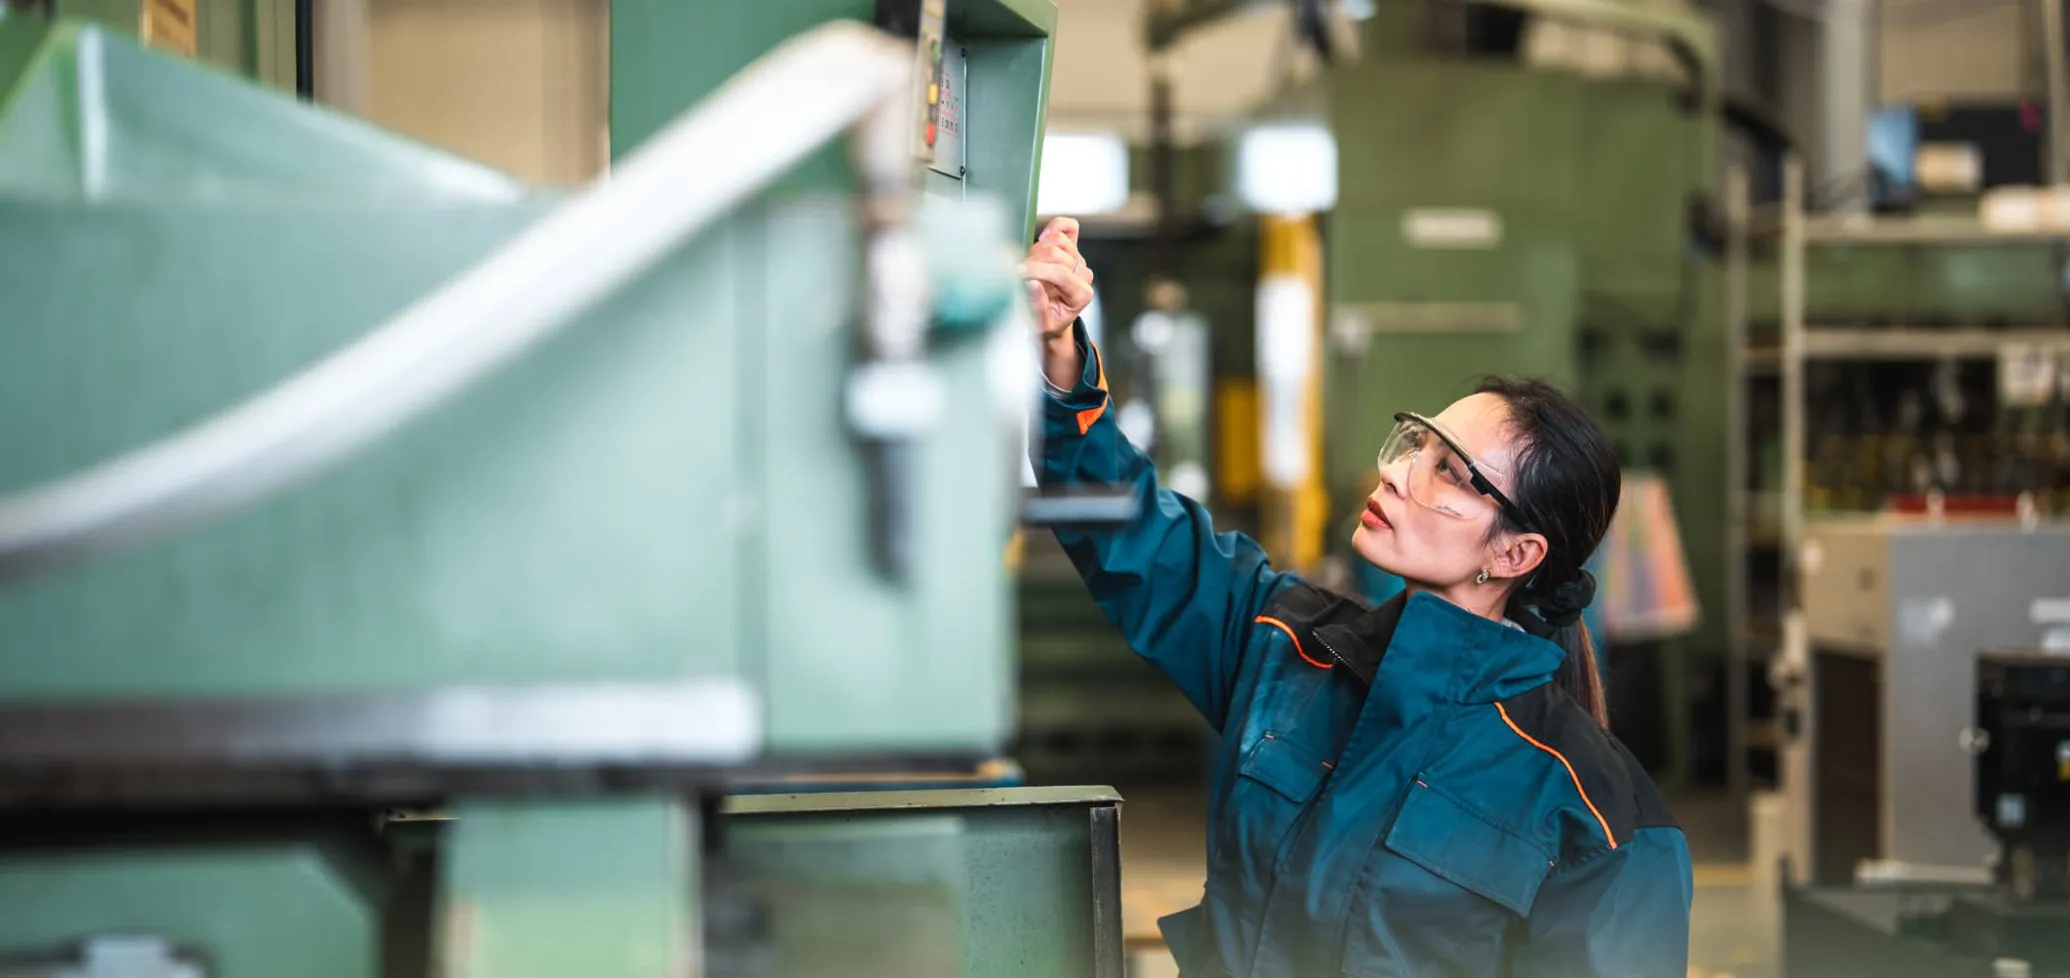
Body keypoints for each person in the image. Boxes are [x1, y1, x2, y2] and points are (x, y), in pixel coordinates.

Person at [1021, 216, 1692, 977]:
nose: (1398, 475)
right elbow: (1135, 536)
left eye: (1449, 472)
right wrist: (1061, 359)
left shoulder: (1601, 820)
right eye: (1417, 445)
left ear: (1515, 552)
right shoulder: (1282, 647)